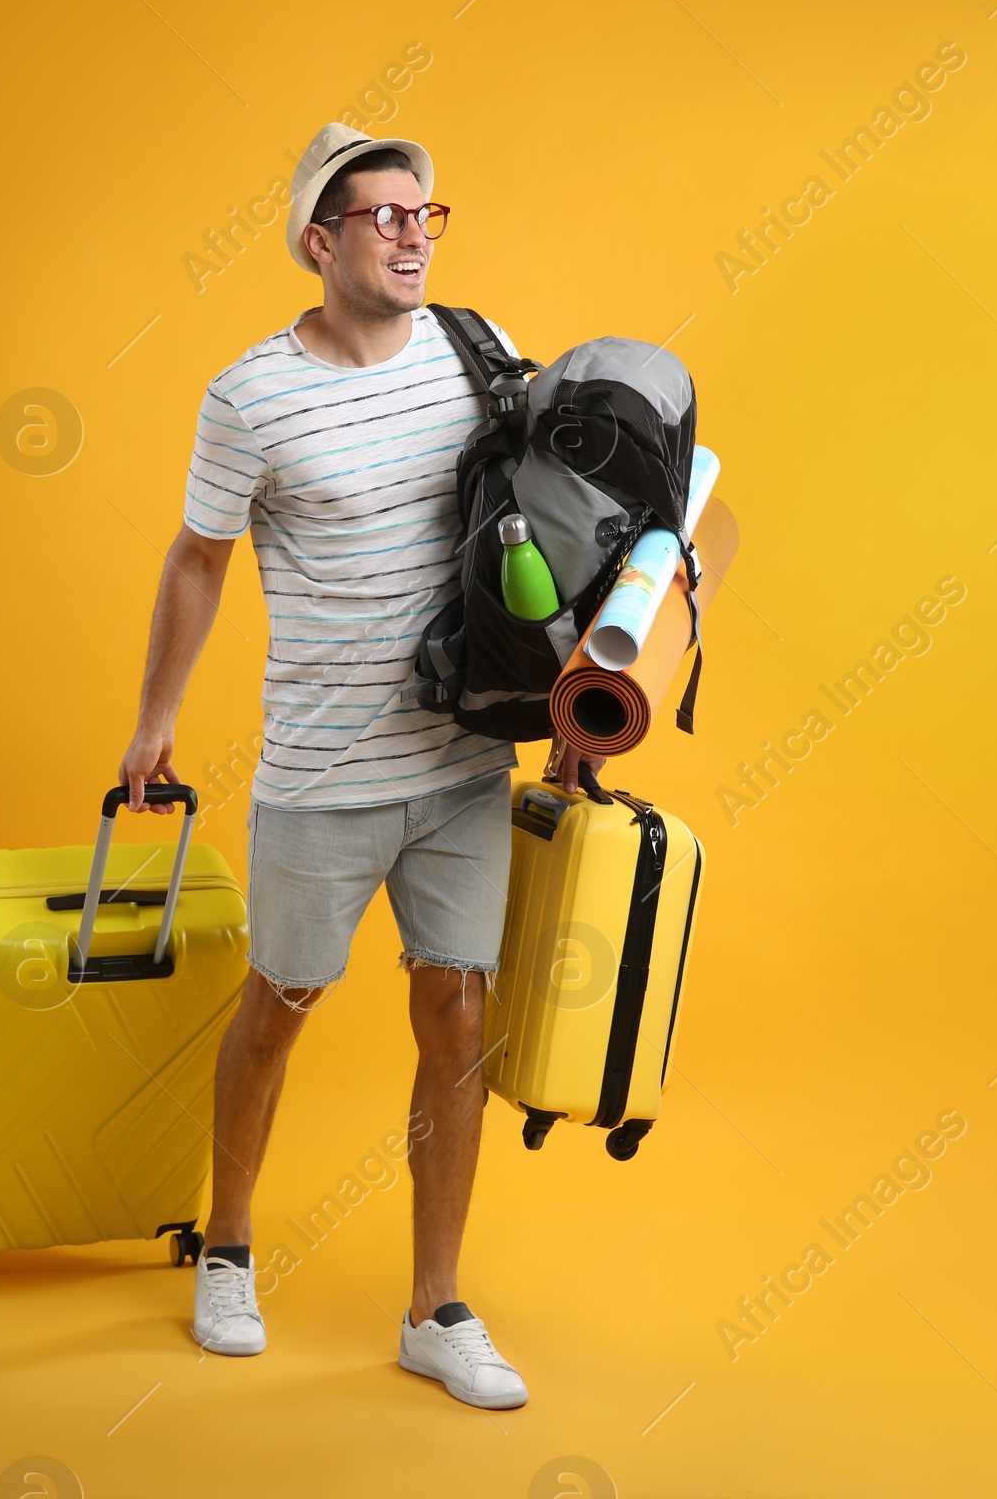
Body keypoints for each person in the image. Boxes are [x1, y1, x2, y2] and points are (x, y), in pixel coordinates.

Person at [116, 122, 602, 1411]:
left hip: (458, 762)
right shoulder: (252, 394)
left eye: (426, 216)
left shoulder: (473, 355)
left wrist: (580, 680)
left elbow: (551, 523)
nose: (411, 235)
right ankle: (227, 1248)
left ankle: (435, 1308)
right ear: (319, 242)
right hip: (324, 772)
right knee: (279, 1006)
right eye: (385, 216)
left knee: (457, 1017)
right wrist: (154, 718)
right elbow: (198, 559)